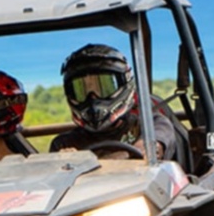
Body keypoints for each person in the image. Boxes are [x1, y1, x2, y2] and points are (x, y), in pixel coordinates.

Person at [50, 44, 178, 160]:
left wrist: (83, 163)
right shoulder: (64, 143)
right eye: (81, 90)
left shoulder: (152, 124)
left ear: (124, 84)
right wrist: (63, 162)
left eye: (104, 87)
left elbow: (149, 149)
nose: (93, 99)